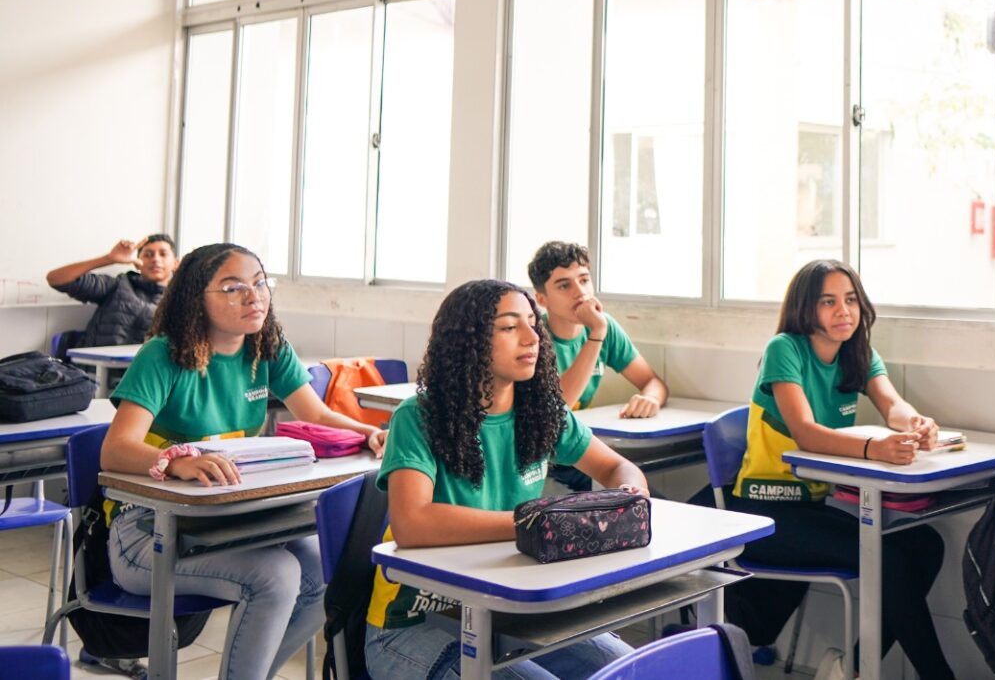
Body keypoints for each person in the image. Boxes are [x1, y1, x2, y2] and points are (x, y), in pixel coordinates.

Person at [100, 243, 387, 680]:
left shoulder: (267, 347)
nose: (253, 297)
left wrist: (368, 432)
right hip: (148, 531)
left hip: (233, 523)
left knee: (327, 572)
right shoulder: (163, 355)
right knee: (276, 577)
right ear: (197, 298)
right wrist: (175, 460)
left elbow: (316, 414)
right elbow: (115, 448)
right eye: (233, 288)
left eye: (259, 283)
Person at [364, 279, 646, 680]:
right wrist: (534, 523)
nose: (533, 337)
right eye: (511, 327)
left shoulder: (542, 412)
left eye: (533, 323)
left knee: (630, 672)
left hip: (504, 610)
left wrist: (629, 494)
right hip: (413, 624)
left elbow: (619, 468)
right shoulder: (419, 416)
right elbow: (412, 523)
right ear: (469, 340)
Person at [724, 259, 956, 680]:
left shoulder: (858, 353)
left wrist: (916, 424)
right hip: (762, 512)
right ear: (804, 308)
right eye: (828, 302)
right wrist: (875, 449)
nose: (843, 311)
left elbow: (892, 405)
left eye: (850, 300)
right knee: (891, 561)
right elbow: (806, 433)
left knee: (926, 545)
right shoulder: (785, 349)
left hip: (813, 505)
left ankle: (848, 668)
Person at [527, 241, 668, 491]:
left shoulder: (605, 327)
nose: (579, 292)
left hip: (582, 447)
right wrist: (596, 333)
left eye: (584, 280)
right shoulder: (534, 338)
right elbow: (556, 411)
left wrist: (651, 399)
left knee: (648, 500)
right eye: (564, 285)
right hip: (548, 457)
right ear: (542, 299)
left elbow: (652, 381)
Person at [47, 234, 179, 347]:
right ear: (137, 262)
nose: (155, 259)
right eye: (148, 255)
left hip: (142, 374)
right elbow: (55, 279)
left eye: (163, 254)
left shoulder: (180, 299)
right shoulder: (117, 285)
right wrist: (109, 259)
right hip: (95, 371)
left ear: (176, 263)